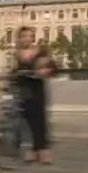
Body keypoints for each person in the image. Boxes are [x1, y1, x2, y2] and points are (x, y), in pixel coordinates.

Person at [13, 26, 54, 164]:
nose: (26, 39)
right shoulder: (18, 54)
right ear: (20, 38)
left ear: (33, 38)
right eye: (24, 36)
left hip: (36, 90)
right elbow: (16, 71)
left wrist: (44, 71)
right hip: (23, 90)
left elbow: (52, 67)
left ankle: (43, 151)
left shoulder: (40, 53)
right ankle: (32, 150)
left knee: (39, 120)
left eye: (29, 36)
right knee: (26, 121)